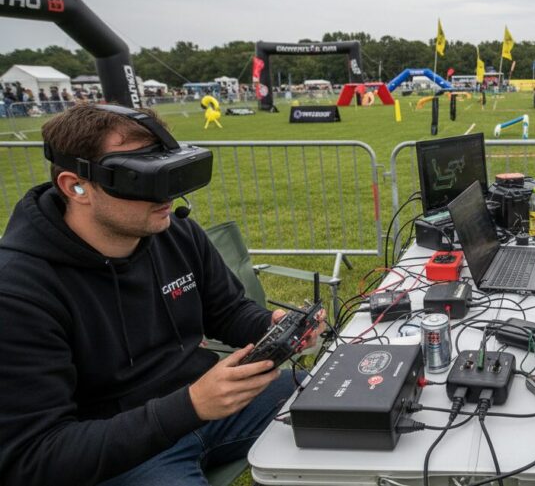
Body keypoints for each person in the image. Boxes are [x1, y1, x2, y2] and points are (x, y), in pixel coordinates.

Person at [0, 104, 321, 485]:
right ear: (76, 185)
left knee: (352, 404)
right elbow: (34, 455)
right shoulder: (18, 290)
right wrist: (191, 406)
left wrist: (270, 326)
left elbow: (227, 310)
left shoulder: (171, 231)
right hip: (118, 449)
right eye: (142, 177)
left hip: (210, 405)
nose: (166, 194)